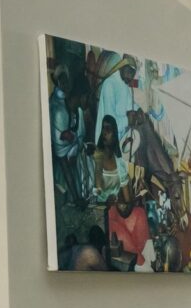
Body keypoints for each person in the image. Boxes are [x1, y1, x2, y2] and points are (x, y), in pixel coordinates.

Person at [49, 65, 89, 206]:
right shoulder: (60, 113)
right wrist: (76, 198)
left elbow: (79, 138)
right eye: (87, 97)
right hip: (63, 178)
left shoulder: (78, 112)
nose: (88, 101)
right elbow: (63, 161)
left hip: (75, 167)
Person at [94, 55, 137, 153]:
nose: (130, 77)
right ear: (122, 67)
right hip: (106, 141)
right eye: (129, 72)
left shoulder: (124, 84)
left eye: (133, 74)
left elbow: (130, 104)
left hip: (119, 138)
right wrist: (127, 120)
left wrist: (138, 110)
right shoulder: (110, 84)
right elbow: (110, 123)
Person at [93, 115, 129, 203]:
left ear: (114, 135)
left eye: (108, 129)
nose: (104, 132)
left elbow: (127, 199)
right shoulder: (96, 158)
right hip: (99, 208)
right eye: (103, 128)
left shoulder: (119, 163)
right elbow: (95, 192)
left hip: (115, 208)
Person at [106, 196, 151, 267]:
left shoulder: (139, 213)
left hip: (136, 260)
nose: (123, 206)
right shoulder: (111, 212)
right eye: (121, 204)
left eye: (125, 204)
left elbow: (141, 245)